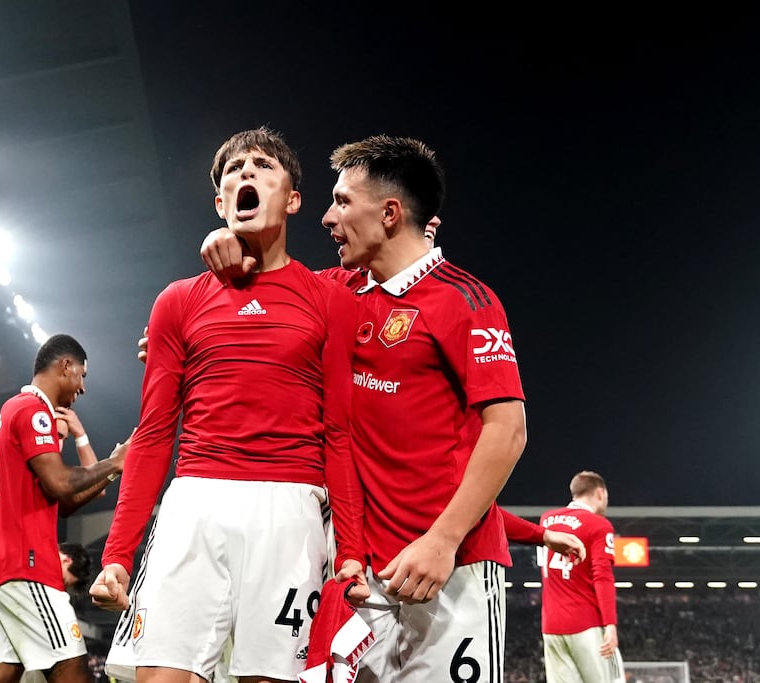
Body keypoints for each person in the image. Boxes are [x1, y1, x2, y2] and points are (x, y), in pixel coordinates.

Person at [199, 134, 527, 681]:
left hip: (451, 566)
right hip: (356, 572)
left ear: (391, 213)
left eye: (343, 202)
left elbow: (508, 430)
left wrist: (443, 541)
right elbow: (260, 292)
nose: (328, 217)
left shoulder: (466, 299)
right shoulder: (335, 290)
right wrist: (224, 242)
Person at [90, 127, 367, 683]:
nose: (246, 172)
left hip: (290, 511)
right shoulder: (178, 299)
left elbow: (339, 432)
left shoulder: (331, 299)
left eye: (263, 164)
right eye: (233, 170)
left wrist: (352, 550)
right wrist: (117, 554)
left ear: (291, 198)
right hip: (194, 503)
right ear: (221, 204)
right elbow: (152, 434)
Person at [0, 333, 130, 683]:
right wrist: (115, 463)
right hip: (25, 564)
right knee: (72, 667)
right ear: (65, 366)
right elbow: (61, 482)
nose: (83, 388)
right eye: (82, 376)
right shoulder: (32, 409)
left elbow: (63, 503)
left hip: (3, 570)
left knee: (0, 676)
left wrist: (109, 472)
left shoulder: (20, 409)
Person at [539, 471, 624, 683]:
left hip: (551, 626)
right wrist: (610, 624)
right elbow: (602, 576)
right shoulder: (599, 525)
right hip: (587, 623)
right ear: (600, 493)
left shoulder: (546, 519)